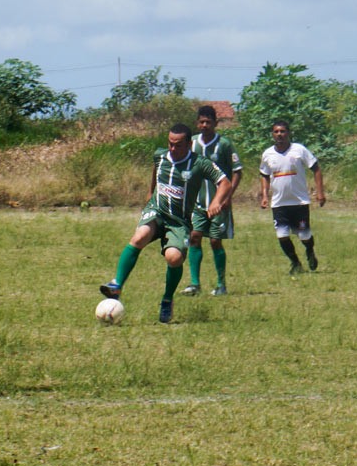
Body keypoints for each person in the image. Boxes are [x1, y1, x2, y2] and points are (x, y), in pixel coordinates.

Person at [99, 123, 233, 323]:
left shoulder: (199, 163)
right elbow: (156, 169)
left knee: (174, 259)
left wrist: (216, 202)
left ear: (189, 144)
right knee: (140, 236)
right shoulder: (160, 156)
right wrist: (150, 192)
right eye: (170, 144)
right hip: (157, 211)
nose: (172, 148)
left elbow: (225, 182)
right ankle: (117, 284)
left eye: (177, 145)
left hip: (179, 222)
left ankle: (167, 300)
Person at [183, 106, 243, 297]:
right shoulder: (191, 143)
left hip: (218, 202)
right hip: (196, 202)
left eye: (209, 122)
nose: (205, 125)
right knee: (194, 237)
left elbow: (237, 171)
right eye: (201, 122)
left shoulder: (224, 144)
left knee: (216, 241)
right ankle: (194, 283)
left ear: (216, 124)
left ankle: (221, 284)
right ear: (197, 123)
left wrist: (228, 196)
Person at [259, 120, 325, 274]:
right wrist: (264, 196)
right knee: (282, 235)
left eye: (282, 131)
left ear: (288, 133)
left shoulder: (299, 150)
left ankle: (310, 250)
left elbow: (316, 168)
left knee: (304, 235)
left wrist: (320, 192)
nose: (279, 135)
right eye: (276, 132)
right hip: (279, 204)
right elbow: (264, 175)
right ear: (272, 134)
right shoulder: (268, 154)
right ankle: (295, 263)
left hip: (299, 202)